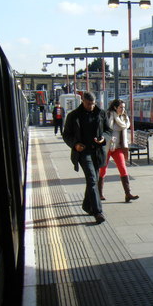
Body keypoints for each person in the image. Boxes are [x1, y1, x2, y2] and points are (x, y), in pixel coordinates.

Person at [62, 92, 111, 224]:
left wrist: (103, 139)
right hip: (83, 152)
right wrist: (75, 144)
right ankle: (98, 212)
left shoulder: (101, 113)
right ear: (83, 101)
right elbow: (66, 134)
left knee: (93, 180)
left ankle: (86, 205)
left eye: (93, 103)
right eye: (89, 104)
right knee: (92, 179)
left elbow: (108, 131)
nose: (91, 106)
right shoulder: (73, 116)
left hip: (97, 152)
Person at [97, 99, 139, 203]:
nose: (123, 109)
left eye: (124, 107)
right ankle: (99, 193)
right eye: (121, 107)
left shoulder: (124, 118)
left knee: (123, 168)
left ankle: (128, 194)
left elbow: (125, 128)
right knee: (103, 170)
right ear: (115, 107)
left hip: (118, 147)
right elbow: (102, 129)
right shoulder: (107, 116)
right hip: (107, 147)